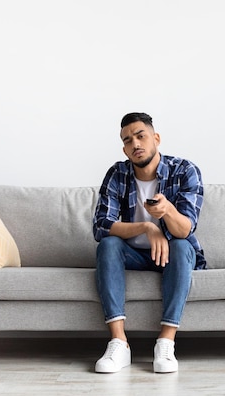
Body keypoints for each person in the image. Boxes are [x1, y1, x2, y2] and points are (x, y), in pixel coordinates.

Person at [92, 112, 206, 373]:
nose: (136, 144)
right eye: (128, 140)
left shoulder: (185, 170)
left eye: (141, 136)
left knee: (181, 245)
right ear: (124, 148)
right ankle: (119, 343)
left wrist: (167, 212)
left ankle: (165, 343)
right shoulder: (117, 174)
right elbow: (101, 226)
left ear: (156, 138)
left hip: (173, 254)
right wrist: (146, 227)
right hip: (133, 253)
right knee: (108, 245)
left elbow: (186, 228)